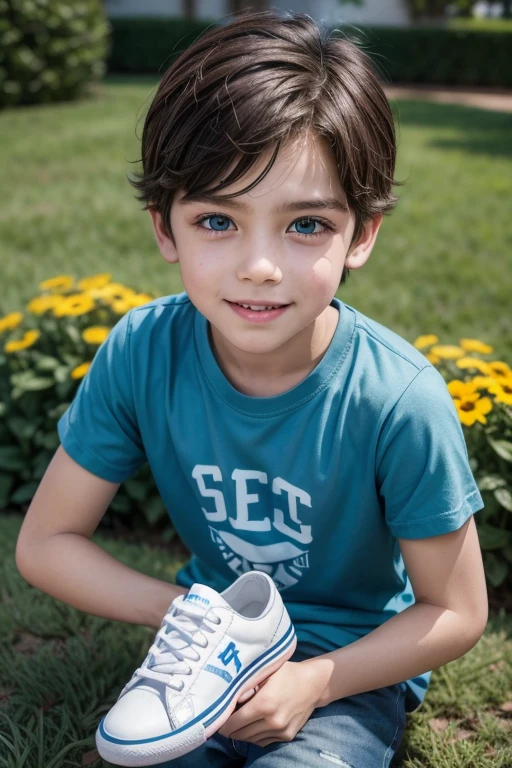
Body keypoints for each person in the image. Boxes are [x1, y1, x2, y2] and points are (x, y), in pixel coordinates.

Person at [15, 10, 489, 768]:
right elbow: (46, 544)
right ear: (164, 229)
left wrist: (315, 682)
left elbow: (458, 610)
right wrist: (195, 618)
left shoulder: (398, 400)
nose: (259, 266)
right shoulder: (144, 352)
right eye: (216, 220)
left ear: (361, 233)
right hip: (201, 660)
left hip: (350, 666)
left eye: (305, 225)